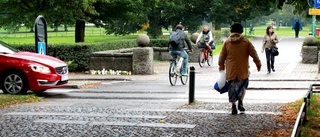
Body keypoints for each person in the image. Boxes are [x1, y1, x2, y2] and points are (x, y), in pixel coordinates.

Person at [218, 22, 261, 115]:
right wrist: (258, 63)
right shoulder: (246, 41)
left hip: (231, 70)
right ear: (241, 30)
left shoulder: (227, 42)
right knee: (243, 86)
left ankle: (233, 105)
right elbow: (254, 53)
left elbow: (222, 56)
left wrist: (221, 66)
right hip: (243, 70)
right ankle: (240, 102)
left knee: (232, 88)